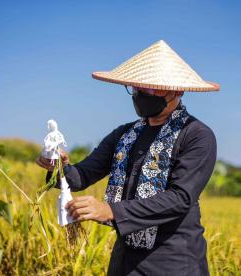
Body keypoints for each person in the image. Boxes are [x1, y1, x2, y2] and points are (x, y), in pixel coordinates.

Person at [36, 40, 219, 275]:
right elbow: (81, 176)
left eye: (153, 89)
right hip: (125, 261)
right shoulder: (125, 134)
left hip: (173, 260)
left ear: (177, 91)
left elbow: (180, 198)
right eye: (137, 87)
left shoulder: (196, 135)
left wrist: (111, 211)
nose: (142, 94)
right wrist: (58, 167)